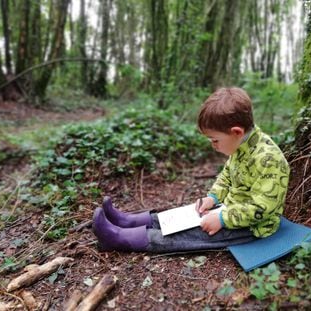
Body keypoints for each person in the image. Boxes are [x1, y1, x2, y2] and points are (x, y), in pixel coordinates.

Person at [92, 87, 290, 253]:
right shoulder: (242, 145)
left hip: (251, 227)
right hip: (229, 209)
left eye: (215, 140)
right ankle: (127, 221)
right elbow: (227, 177)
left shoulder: (269, 159)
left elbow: (261, 208)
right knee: (182, 216)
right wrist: (213, 197)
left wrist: (222, 218)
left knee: (184, 234)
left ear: (236, 132)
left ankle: (119, 238)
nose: (213, 145)